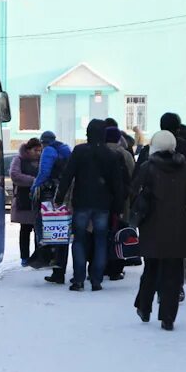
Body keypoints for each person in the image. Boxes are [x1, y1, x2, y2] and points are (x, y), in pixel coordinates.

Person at [132, 130, 186, 331]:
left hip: (152, 228)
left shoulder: (148, 168)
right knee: (173, 275)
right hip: (178, 229)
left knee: (151, 269)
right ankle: (168, 317)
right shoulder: (185, 169)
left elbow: (133, 194)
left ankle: (144, 308)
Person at [54, 119, 123, 291]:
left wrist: (59, 197)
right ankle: (96, 280)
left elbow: (67, 175)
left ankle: (78, 280)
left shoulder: (79, 151)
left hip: (82, 202)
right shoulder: (111, 155)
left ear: (88, 133)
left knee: (79, 240)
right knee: (100, 241)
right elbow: (117, 184)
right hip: (103, 204)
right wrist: (119, 207)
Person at [136, 113, 186, 209]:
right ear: (178, 129)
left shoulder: (148, 150)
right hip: (180, 208)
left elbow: (136, 180)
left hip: (152, 210)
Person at [30, 131, 72, 283]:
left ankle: (54, 269)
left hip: (50, 196)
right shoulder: (66, 149)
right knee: (62, 232)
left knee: (50, 231)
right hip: (65, 195)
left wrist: (34, 187)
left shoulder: (49, 151)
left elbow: (44, 172)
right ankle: (60, 269)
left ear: (43, 142)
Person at [104, 126, 135, 281]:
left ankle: (100, 265)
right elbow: (132, 176)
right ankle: (116, 268)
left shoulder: (101, 153)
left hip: (103, 200)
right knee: (119, 232)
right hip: (123, 200)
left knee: (102, 233)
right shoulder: (126, 155)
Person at [10, 138, 42, 266]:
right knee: (25, 229)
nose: (38, 153)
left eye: (40, 150)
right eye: (35, 150)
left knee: (38, 229)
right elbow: (15, 175)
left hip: (38, 199)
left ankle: (37, 256)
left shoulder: (42, 160)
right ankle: (25, 257)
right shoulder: (19, 159)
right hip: (24, 198)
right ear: (28, 150)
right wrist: (34, 181)